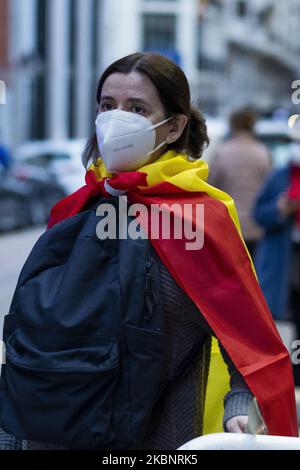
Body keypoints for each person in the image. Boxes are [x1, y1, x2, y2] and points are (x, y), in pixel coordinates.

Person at [0, 53, 297, 450]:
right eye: (107, 106)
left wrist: (239, 409)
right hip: (48, 433)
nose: (115, 118)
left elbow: (246, 343)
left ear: (174, 127)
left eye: (137, 109)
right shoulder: (75, 209)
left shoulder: (200, 219)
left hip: (158, 438)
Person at [253, 141, 300, 384]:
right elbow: (259, 213)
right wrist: (281, 208)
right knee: (278, 316)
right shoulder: (280, 176)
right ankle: (283, 372)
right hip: (282, 258)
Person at [208, 108, 271, 258]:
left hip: (229, 224)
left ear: (232, 125)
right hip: (256, 225)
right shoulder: (262, 152)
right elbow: (268, 187)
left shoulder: (222, 152)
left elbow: (210, 187)